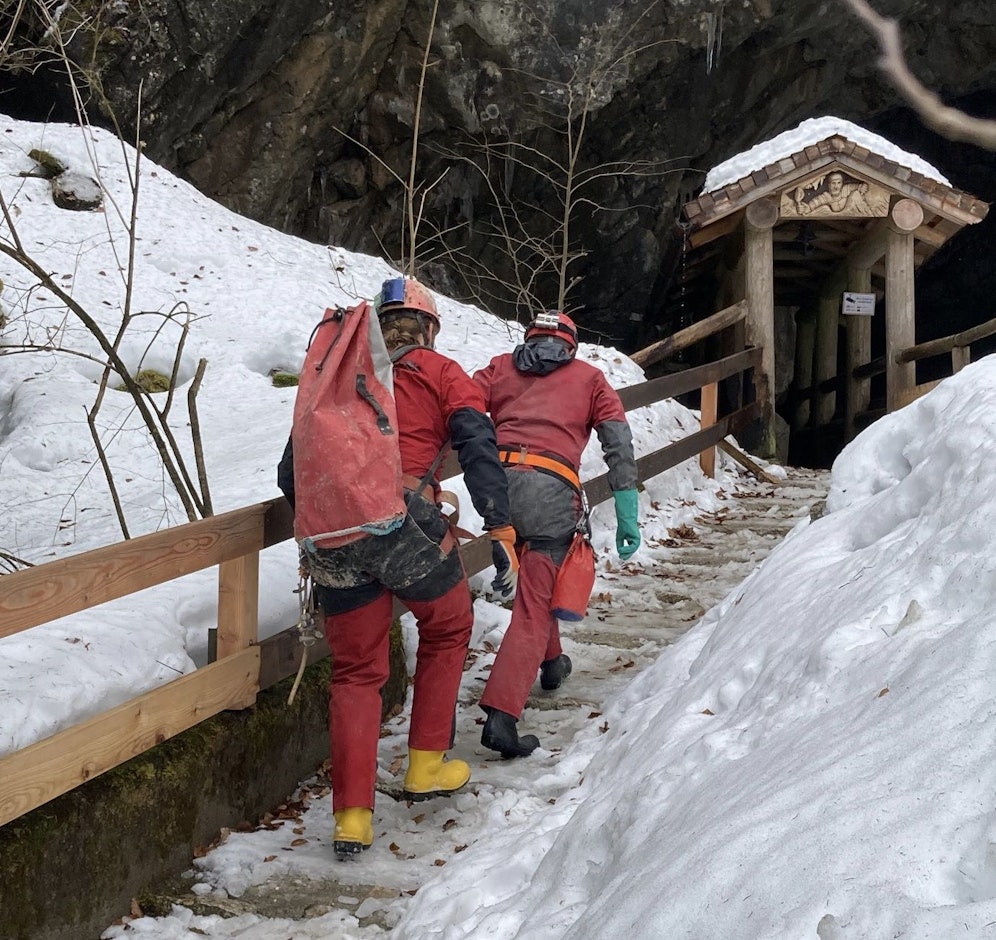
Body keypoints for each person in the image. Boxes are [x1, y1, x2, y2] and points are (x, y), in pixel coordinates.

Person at [277, 276, 518, 859]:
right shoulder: (439, 372)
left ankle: (353, 819)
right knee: (448, 627)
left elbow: (290, 474)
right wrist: (499, 521)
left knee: (357, 673)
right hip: (405, 522)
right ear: (428, 329)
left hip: (334, 537)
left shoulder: (334, 374)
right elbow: (477, 441)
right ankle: (426, 766)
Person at [473, 310, 640, 758]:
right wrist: (626, 506)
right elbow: (617, 439)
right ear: (572, 344)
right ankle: (502, 717)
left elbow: (460, 410)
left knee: (535, 591)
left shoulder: (499, 368)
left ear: (529, 338)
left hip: (496, 489)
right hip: (550, 493)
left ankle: (552, 663)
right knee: (534, 605)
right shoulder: (589, 377)